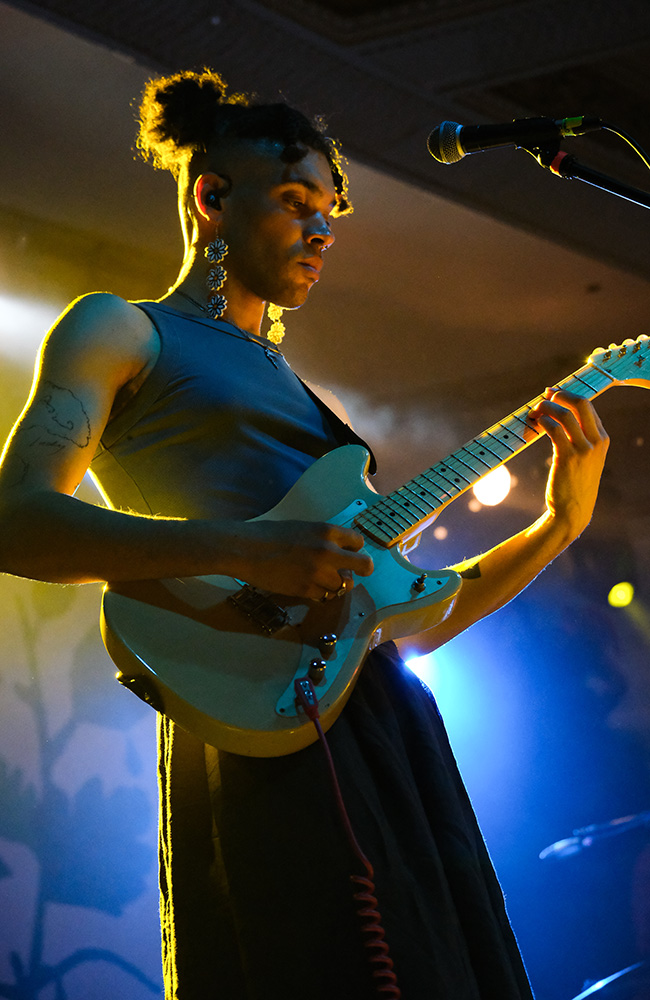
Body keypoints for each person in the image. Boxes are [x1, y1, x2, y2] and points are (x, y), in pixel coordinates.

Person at [0, 69, 609, 999]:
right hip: (251, 717)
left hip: (384, 728)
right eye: (294, 201)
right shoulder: (120, 329)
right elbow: (19, 523)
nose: (322, 228)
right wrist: (242, 550)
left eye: (330, 209)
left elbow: (420, 621)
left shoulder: (298, 391)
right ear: (212, 198)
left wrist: (558, 525)